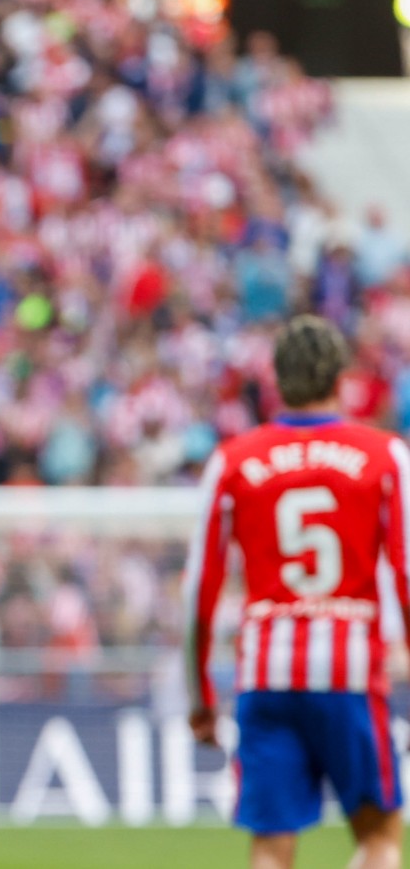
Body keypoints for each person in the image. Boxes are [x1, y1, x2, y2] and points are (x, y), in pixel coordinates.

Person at [183, 315, 410, 869]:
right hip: (349, 667)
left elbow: (200, 589)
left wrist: (200, 699)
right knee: (378, 837)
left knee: (271, 847)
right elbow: (406, 574)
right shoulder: (384, 457)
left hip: (266, 671)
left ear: (276, 382)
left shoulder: (234, 460)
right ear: (342, 379)